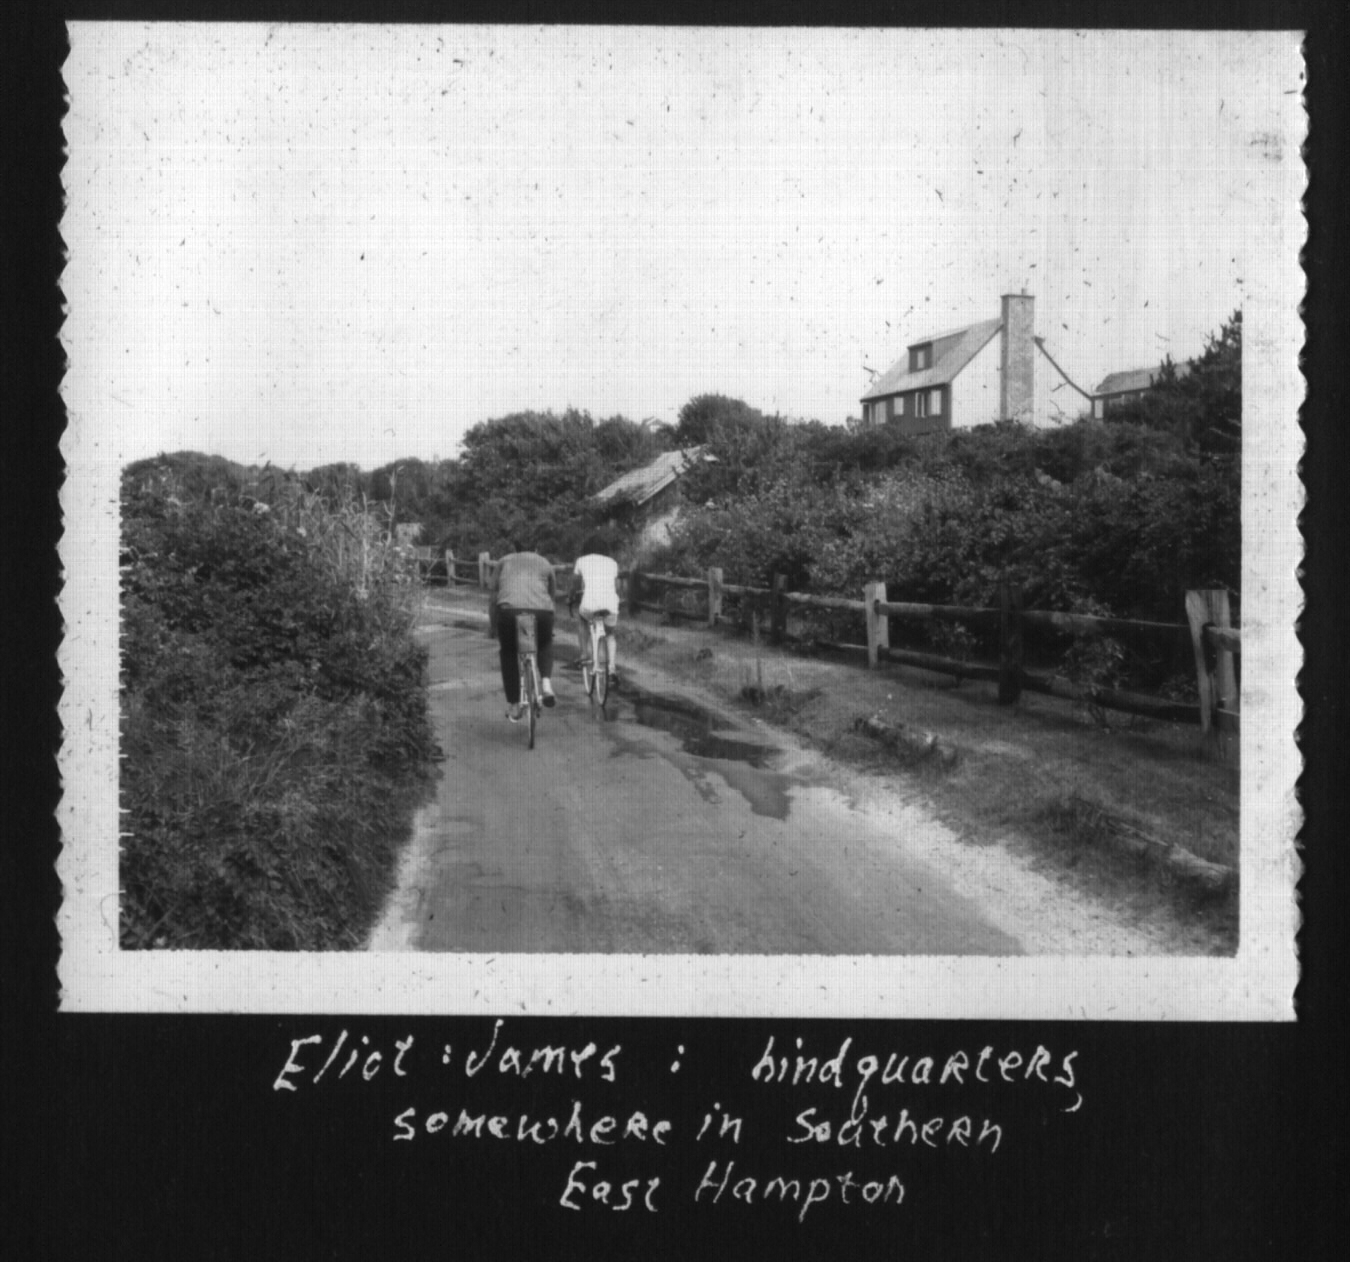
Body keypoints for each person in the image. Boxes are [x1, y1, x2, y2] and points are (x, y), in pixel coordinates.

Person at [488, 543, 558, 722]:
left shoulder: (503, 561)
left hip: (509, 612)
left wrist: (493, 626)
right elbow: (552, 596)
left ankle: (513, 703)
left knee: (509, 652)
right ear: (536, 549)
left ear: (515, 549)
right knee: (545, 643)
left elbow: (493, 597)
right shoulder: (545, 562)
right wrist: (550, 625)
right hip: (541, 613)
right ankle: (546, 684)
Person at [568, 537, 621, 686]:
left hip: (589, 605)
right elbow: (616, 586)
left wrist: (571, 597)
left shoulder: (581, 561)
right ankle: (612, 670)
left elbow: (574, 584)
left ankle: (584, 654)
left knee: (582, 620)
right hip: (610, 605)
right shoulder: (612, 563)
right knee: (610, 635)